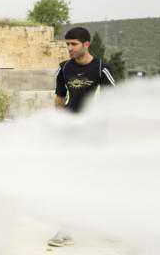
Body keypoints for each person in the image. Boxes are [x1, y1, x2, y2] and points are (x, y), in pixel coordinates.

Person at [48, 26, 116, 248]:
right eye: (67, 44)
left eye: (73, 44)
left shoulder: (102, 69)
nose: (69, 48)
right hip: (70, 134)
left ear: (86, 44)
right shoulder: (64, 69)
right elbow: (59, 100)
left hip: (94, 135)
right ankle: (65, 230)